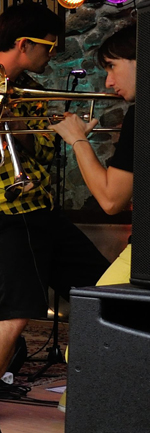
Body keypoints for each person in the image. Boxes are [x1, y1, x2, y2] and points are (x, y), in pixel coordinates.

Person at [0, 2, 108, 408]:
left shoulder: (30, 91)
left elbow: (46, 153)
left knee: (101, 291)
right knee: (17, 311)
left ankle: (99, 384)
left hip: (40, 208)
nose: (51, 54)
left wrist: (20, 128)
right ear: (23, 44)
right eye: (48, 46)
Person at [52, 24, 136, 286]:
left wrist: (77, 140)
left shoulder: (140, 114)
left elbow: (111, 201)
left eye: (112, 66)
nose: (108, 82)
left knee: (101, 305)